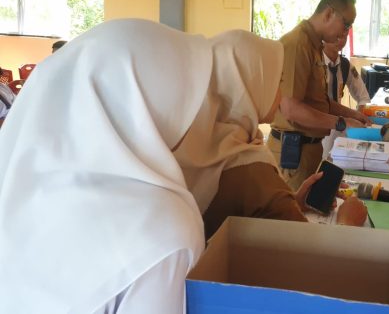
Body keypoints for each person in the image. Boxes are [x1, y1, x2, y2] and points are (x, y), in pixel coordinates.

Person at [0, 20, 366, 314]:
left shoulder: (19, 193)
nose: (196, 114)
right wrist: (349, 228)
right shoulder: (163, 228)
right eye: (186, 96)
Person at [173, 29, 367, 238]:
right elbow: (313, 254)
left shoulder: (188, 144)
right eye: (278, 81)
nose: (282, 94)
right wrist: (348, 224)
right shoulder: (250, 168)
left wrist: (292, 203)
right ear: (252, 85)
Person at [268, 0, 371, 190]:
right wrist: (341, 123)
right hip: (293, 155)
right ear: (328, 13)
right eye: (346, 24)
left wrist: (353, 115)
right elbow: (291, 108)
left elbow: (319, 101)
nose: (346, 33)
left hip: (309, 150)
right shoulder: (298, 44)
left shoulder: (315, 45)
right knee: (295, 217)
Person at [320, 34, 371, 160]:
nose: (339, 39)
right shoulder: (314, 63)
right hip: (316, 124)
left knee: (335, 163)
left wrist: (359, 119)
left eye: (344, 34)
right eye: (336, 33)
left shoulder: (345, 65)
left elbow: (363, 97)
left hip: (338, 125)